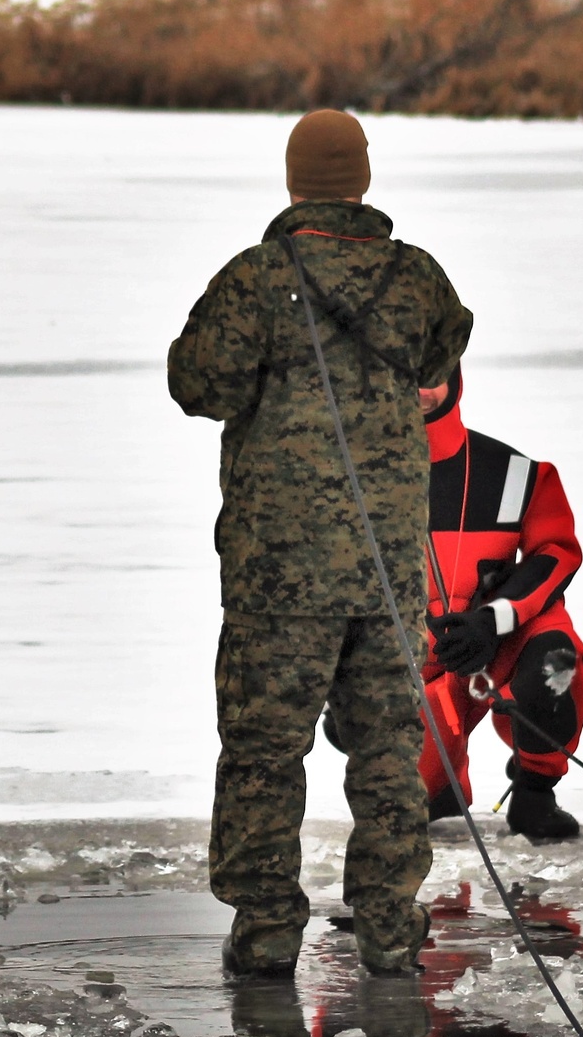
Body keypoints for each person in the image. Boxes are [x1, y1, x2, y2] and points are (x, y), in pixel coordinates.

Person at [167, 110, 473, 977]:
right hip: (384, 576)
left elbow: (197, 384)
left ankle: (266, 931)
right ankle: (388, 928)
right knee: (386, 753)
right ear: (363, 180)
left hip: (278, 577)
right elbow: (445, 352)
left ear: (295, 180)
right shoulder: (416, 279)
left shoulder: (256, 281)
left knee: (265, 753)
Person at [419, 366, 583, 841]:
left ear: (455, 377)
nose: (419, 390)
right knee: (422, 803)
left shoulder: (514, 473)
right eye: (401, 376)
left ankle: (535, 790)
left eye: (430, 374)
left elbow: (556, 553)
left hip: (496, 643)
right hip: (413, 668)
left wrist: (491, 621)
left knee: (557, 660)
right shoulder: (347, 477)